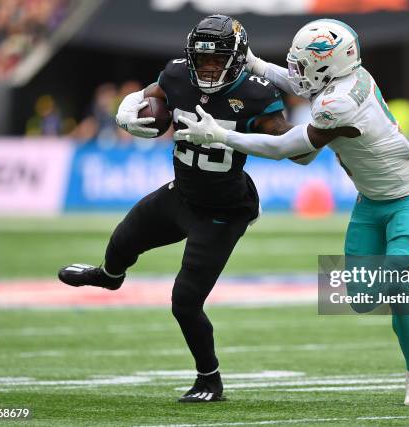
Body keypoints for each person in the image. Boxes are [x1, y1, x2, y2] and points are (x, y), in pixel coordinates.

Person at [177, 19, 409, 406]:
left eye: (305, 62)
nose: (297, 70)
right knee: (360, 298)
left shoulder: (339, 103)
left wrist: (222, 136)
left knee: (395, 281)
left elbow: (288, 149)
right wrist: (255, 63)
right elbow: (300, 83)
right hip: (369, 201)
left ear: (330, 65)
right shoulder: (343, 79)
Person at [57, 14, 292, 403]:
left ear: (236, 59)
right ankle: (110, 276)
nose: (208, 67)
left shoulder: (256, 92)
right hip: (182, 193)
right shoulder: (178, 73)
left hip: (224, 209)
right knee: (122, 239)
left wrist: (229, 137)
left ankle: (209, 380)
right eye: (202, 60)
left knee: (184, 301)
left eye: (217, 59)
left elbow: (291, 147)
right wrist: (133, 108)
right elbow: (156, 93)